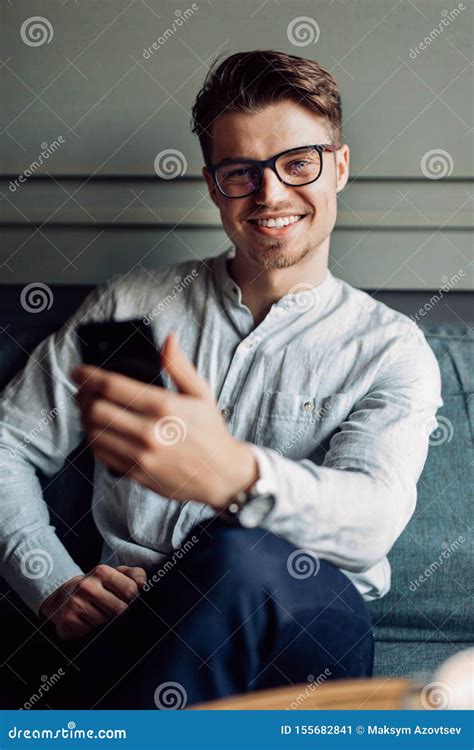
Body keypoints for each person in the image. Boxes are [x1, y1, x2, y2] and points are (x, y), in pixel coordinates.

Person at [0, 50, 442, 709]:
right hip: (140, 627)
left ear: (339, 167)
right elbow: (7, 442)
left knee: (237, 555)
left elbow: (372, 522)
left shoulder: (391, 349)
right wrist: (54, 583)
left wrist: (234, 475)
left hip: (308, 634)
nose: (270, 195)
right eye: (242, 172)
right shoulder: (131, 308)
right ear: (213, 185)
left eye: (297, 164)